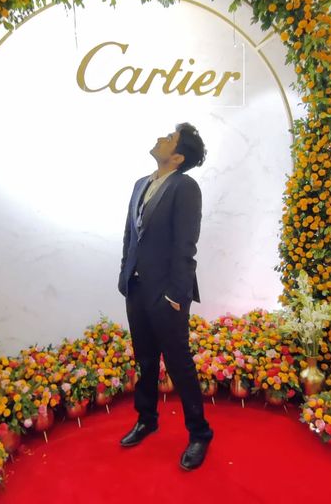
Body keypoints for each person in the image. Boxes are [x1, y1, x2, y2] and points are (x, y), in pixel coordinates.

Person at [118, 122, 213, 471]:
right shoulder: (140, 184)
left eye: (170, 138)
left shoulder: (185, 187)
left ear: (178, 157)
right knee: (145, 359)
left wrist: (176, 294)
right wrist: (124, 274)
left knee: (179, 363)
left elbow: (186, 245)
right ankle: (147, 419)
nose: (162, 138)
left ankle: (200, 433)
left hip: (167, 293)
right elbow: (130, 235)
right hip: (137, 288)